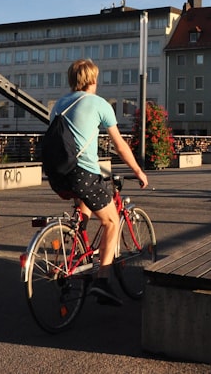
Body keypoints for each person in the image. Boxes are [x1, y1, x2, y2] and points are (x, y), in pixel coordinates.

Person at [46, 59, 149, 306]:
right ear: (93, 79)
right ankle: (102, 281)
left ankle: (78, 253)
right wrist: (138, 170)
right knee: (112, 221)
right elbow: (120, 145)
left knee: (85, 203)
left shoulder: (58, 104)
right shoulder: (100, 104)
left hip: (57, 174)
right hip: (84, 174)